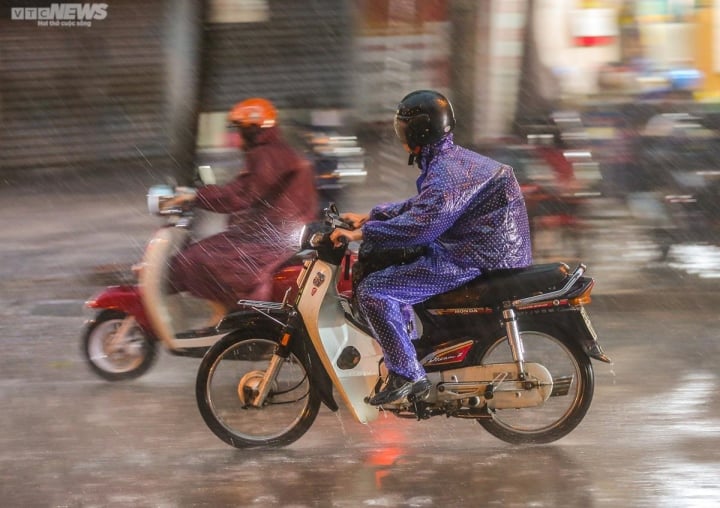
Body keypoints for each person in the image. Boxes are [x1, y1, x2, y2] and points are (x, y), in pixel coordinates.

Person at [330, 90, 533, 406]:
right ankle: (407, 348)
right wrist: (371, 216)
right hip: (474, 246)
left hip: (473, 255)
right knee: (392, 273)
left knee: (375, 291)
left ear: (420, 131)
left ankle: (409, 374)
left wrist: (361, 235)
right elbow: (424, 206)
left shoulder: (445, 170)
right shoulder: (448, 160)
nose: (401, 137)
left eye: (403, 129)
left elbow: (421, 227)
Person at [165, 97, 317, 324]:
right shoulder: (274, 152)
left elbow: (240, 195)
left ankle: (245, 320)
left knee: (195, 259)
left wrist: (195, 196)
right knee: (206, 254)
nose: (237, 138)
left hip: (273, 237)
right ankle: (228, 315)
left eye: (240, 130)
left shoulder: (268, 155)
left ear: (252, 131)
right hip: (274, 232)